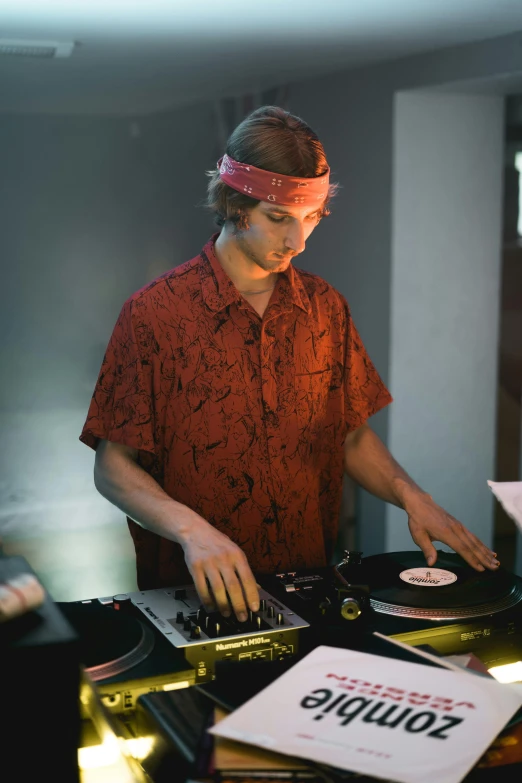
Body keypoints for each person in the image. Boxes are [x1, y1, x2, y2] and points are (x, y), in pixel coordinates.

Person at [80, 106, 499, 622]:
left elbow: (349, 434)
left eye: (311, 219)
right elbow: (113, 466)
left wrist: (410, 494)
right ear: (236, 205)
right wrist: (192, 530)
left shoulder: (327, 309)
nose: (297, 242)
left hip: (310, 585)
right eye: (279, 219)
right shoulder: (153, 314)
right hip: (194, 594)